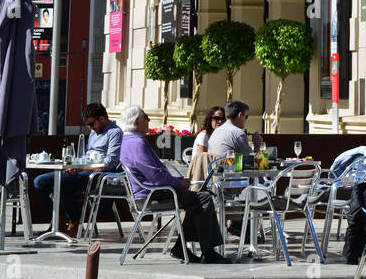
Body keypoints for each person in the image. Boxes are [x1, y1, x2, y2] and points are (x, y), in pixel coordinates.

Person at [119, 104, 227, 263]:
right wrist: (178, 182)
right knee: (203, 199)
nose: (149, 121)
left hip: (152, 192)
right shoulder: (136, 143)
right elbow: (155, 176)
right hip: (152, 195)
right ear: (136, 122)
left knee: (195, 200)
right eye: (146, 118)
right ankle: (208, 252)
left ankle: (181, 247)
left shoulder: (129, 140)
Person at [33, 102, 122, 237]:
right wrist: (75, 165)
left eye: (92, 124)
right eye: (88, 125)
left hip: (97, 175)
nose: (90, 128)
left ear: (102, 119)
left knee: (62, 185)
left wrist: (80, 168)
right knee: (39, 181)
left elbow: (109, 163)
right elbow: (86, 156)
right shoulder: (94, 132)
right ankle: (60, 221)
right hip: (82, 170)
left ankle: (73, 220)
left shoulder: (115, 132)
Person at [187, 105, 226, 187]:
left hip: (212, 169)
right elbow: (204, 158)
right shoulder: (204, 135)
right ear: (210, 119)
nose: (219, 122)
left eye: (222, 119)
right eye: (216, 118)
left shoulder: (216, 135)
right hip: (200, 171)